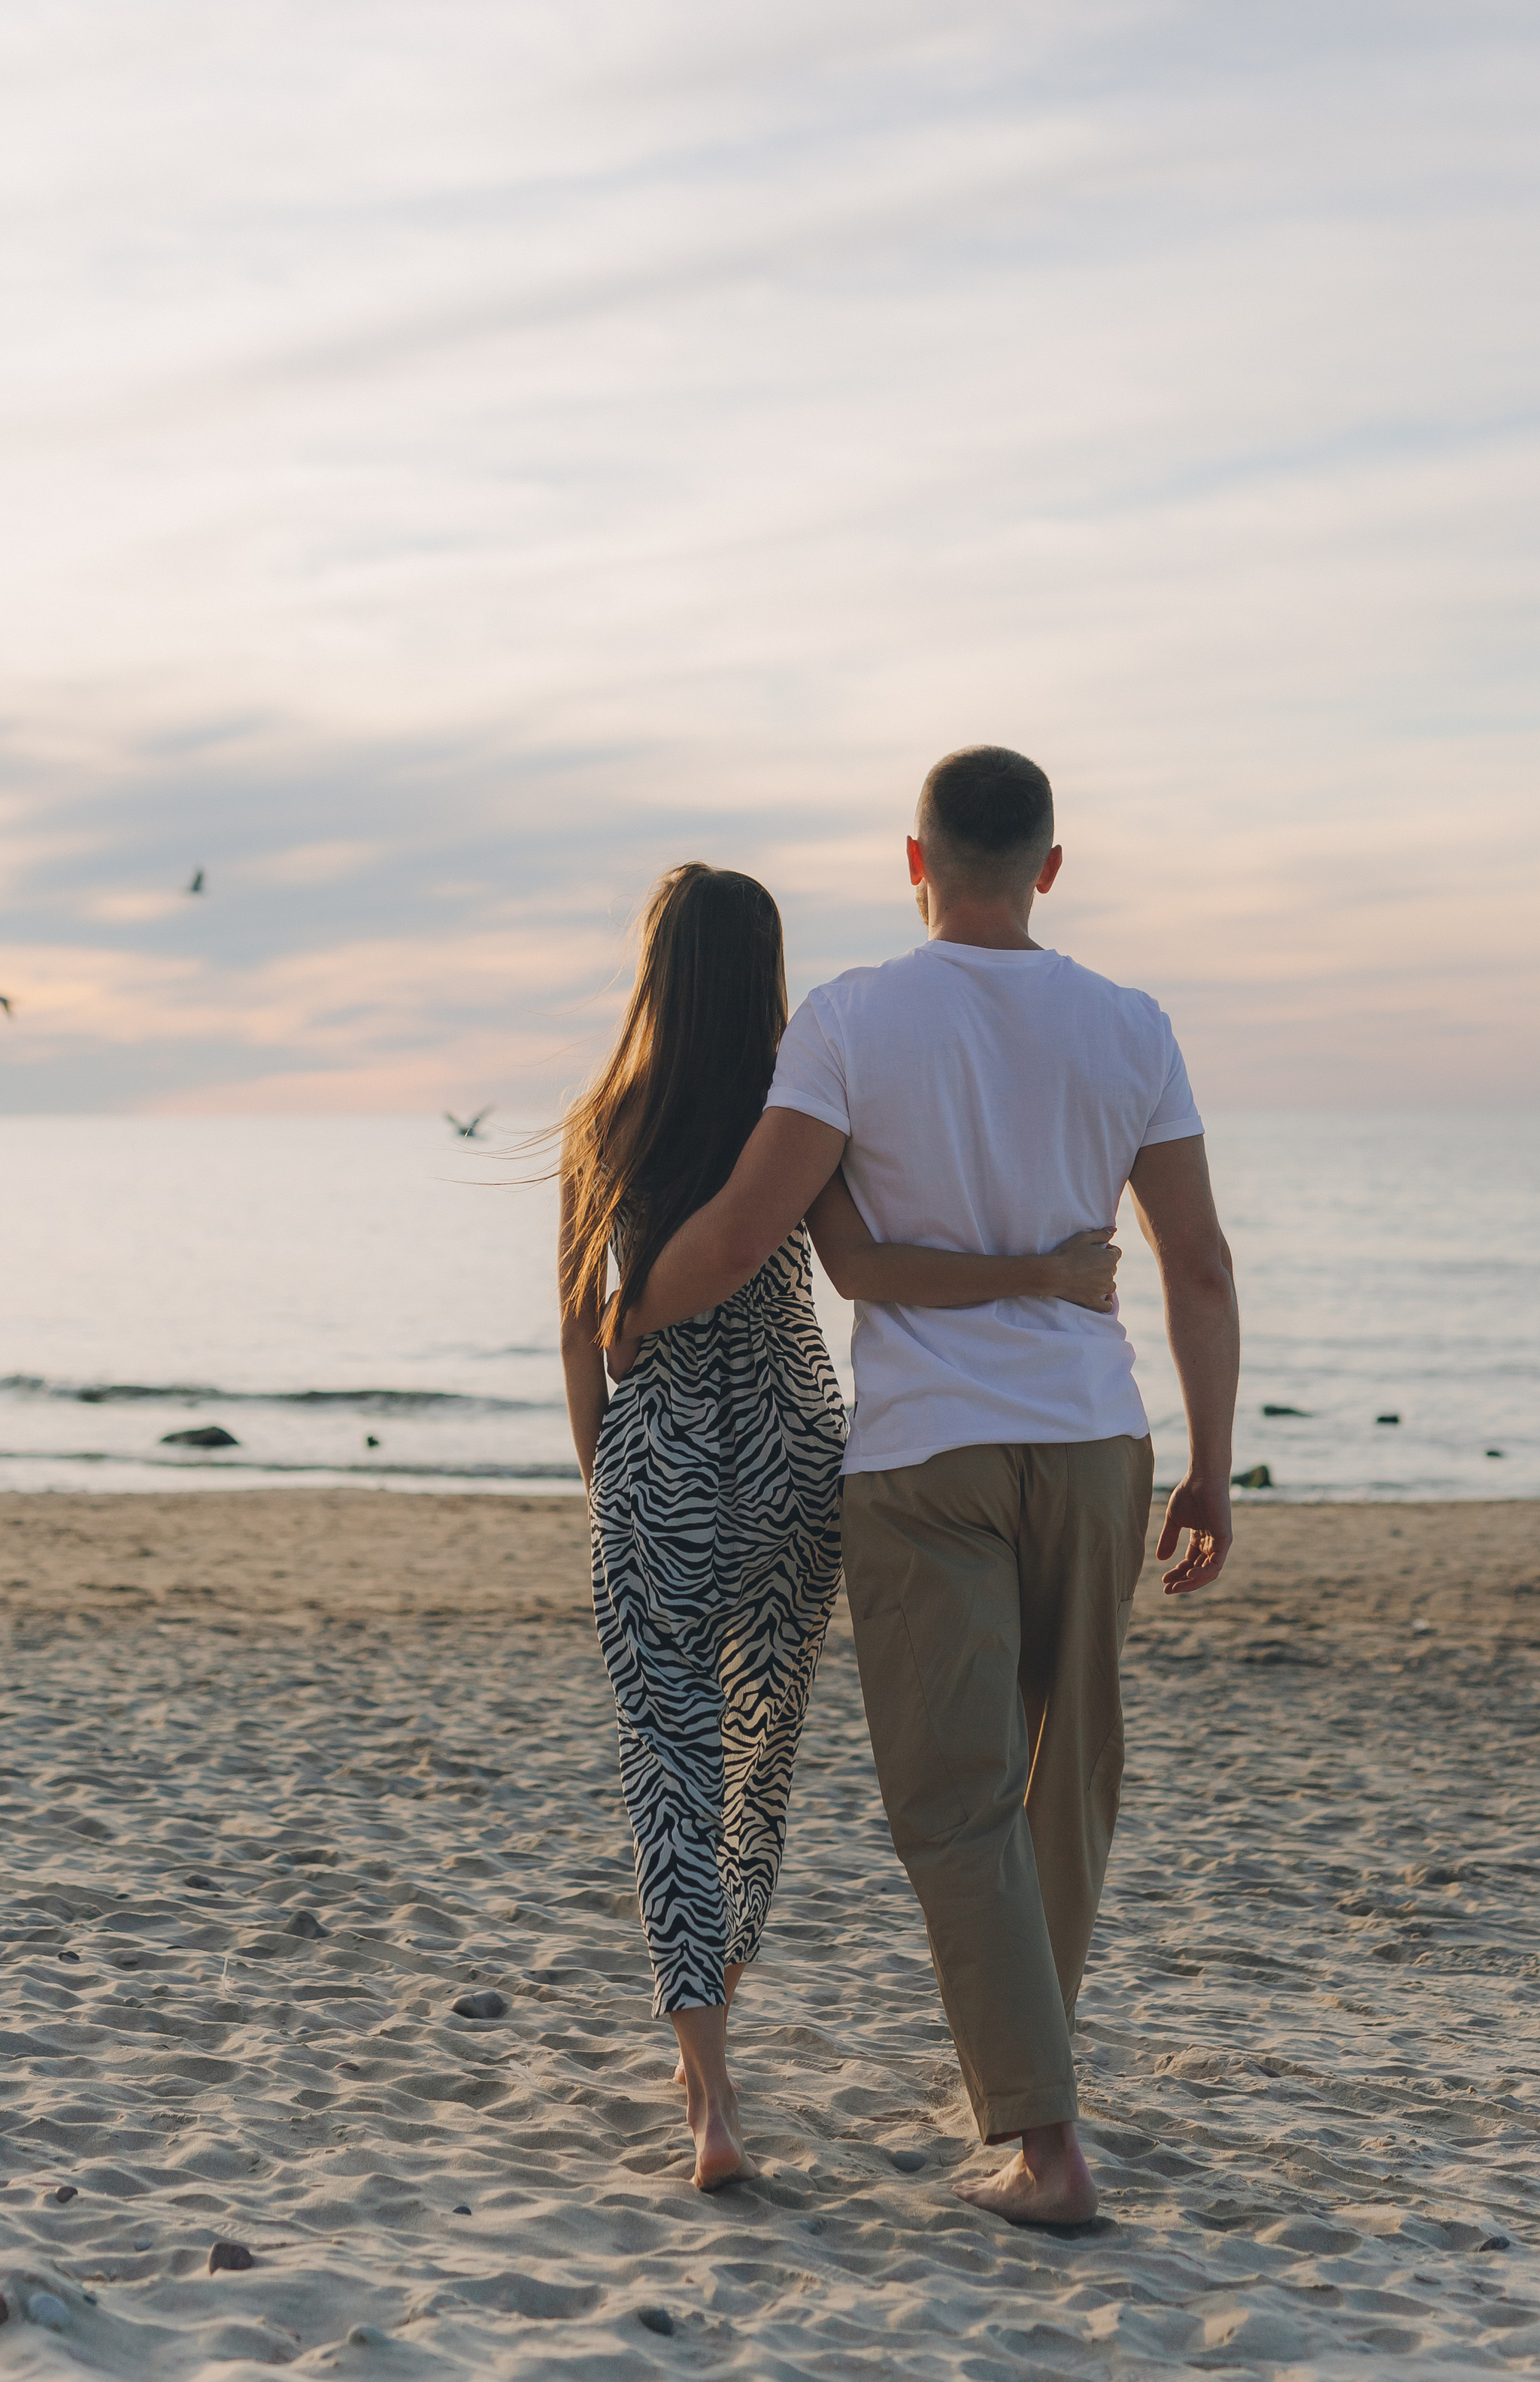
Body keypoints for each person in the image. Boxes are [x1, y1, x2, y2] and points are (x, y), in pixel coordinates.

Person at [613, 750, 1239, 2224]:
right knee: (1063, 1779)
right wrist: (1210, 1465)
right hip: (1094, 1442)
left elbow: (745, 1227)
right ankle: (1030, 2105)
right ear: (1048, 865)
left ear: (915, 862)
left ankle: (1042, 2143)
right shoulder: (1130, 1025)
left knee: (952, 1804)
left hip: (924, 1460)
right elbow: (1195, 1264)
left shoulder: (851, 1019)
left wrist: (630, 1314)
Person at [557, 859, 1130, 2193]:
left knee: (669, 1774)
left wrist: (616, 1492)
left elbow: (584, 1347)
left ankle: (710, 2101)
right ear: (763, 973)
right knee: (755, 1768)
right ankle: (717, 2035)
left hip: (661, 1470)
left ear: (654, 968)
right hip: (793, 1475)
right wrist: (1047, 1272)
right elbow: (864, 1272)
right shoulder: (795, 1105)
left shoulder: (603, 1126)